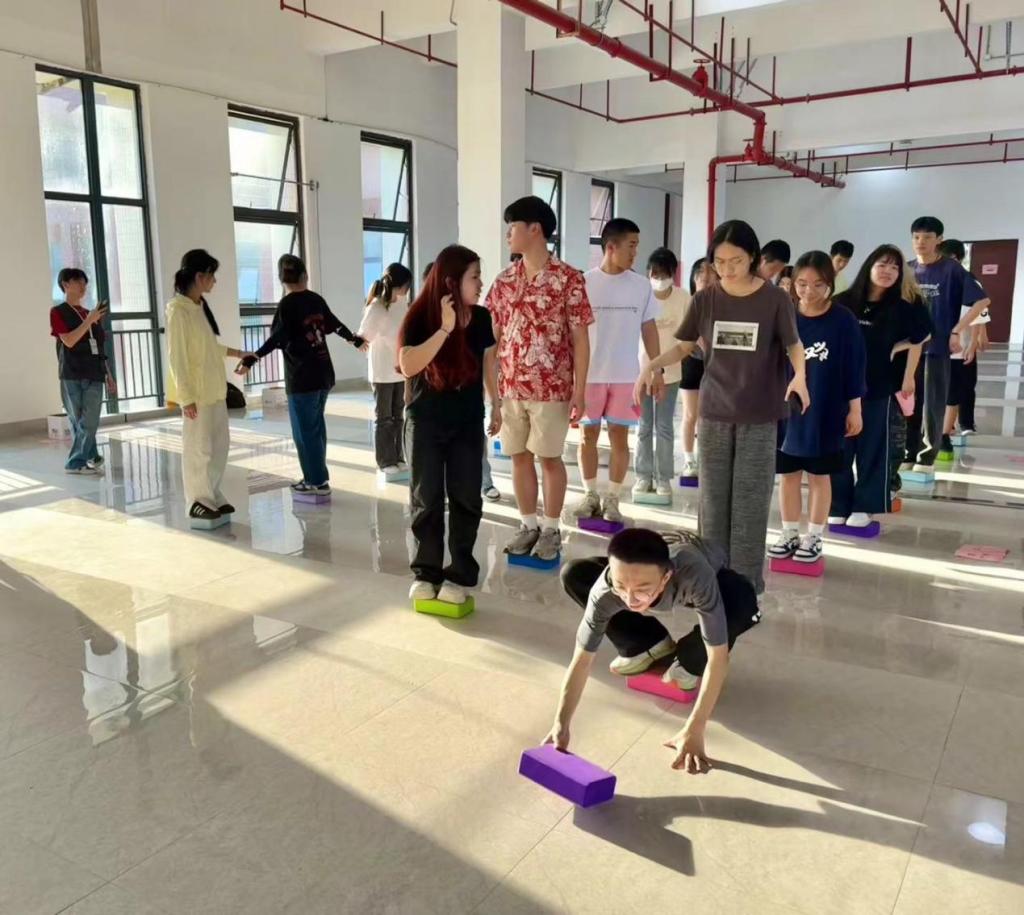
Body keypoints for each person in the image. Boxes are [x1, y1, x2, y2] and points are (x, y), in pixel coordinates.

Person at [636, 220, 807, 594]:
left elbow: (793, 344)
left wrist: (800, 376)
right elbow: (685, 346)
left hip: (759, 414)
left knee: (750, 501)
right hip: (715, 412)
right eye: (720, 261)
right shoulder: (706, 299)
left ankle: (744, 585)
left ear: (753, 258)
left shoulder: (775, 299)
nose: (727, 269)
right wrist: (653, 364)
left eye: (736, 261)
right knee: (712, 503)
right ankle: (710, 579)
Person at [548, 528, 761, 773]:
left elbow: (718, 658)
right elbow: (582, 660)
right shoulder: (606, 589)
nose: (630, 600)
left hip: (709, 570)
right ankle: (646, 644)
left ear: (665, 577)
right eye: (621, 586)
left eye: (642, 588)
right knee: (574, 572)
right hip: (651, 563)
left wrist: (695, 728)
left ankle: (688, 660)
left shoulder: (695, 575)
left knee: (743, 603)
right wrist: (560, 723)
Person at [487, 196, 593, 561]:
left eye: (513, 227)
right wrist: (491, 391)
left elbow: (580, 338)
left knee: (549, 458)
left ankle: (550, 529)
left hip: (552, 387)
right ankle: (527, 524)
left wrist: (580, 389)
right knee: (518, 456)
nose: (508, 235)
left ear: (535, 229)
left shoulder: (569, 279)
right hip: (511, 387)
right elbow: (493, 338)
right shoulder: (504, 281)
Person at [398, 244, 499, 605]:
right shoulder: (419, 316)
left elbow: (488, 364)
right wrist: (444, 328)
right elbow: (408, 365)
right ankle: (426, 571)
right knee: (426, 498)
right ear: (452, 280)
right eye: (475, 277)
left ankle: (460, 572)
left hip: (467, 420)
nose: (481, 283)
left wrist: (496, 403)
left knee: (466, 498)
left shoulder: (482, 318)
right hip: (426, 420)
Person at [241, 254, 365, 495]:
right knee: (316, 427)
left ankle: (316, 481)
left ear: (281, 279)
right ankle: (317, 476)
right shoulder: (315, 299)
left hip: (302, 378)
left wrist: (253, 358)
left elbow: (277, 339)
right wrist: (354, 339)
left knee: (305, 432)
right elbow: (335, 324)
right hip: (324, 374)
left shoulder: (286, 306)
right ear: (304, 276)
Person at [769, 252, 865, 560]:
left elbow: (854, 367)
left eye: (818, 284)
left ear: (830, 284)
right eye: (801, 284)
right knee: (788, 475)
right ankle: (789, 532)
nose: (808, 291)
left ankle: (814, 536)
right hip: (787, 411)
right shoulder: (784, 314)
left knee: (819, 476)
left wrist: (855, 409)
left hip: (826, 409)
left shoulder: (843, 320)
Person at [832, 245, 932, 523]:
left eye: (894, 267)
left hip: (878, 387)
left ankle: (865, 505)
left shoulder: (902, 307)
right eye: (882, 265)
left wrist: (897, 348)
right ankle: (837, 505)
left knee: (873, 449)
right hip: (839, 388)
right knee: (839, 448)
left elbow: (925, 333)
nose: (888, 271)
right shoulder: (842, 302)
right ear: (869, 267)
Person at [573, 218, 662, 524]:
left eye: (637, 246)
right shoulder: (584, 283)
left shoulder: (641, 286)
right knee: (587, 436)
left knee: (619, 438)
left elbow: (649, 328)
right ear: (611, 247)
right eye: (631, 246)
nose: (635, 253)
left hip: (626, 375)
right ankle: (590, 494)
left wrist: (656, 369)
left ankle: (612, 497)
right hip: (589, 375)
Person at [165, 249, 254, 522]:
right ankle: (197, 499)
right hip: (197, 395)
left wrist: (237, 353)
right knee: (199, 449)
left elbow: (207, 347)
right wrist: (186, 397)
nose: (214, 281)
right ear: (199, 276)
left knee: (218, 446)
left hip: (214, 391)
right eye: (211, 275)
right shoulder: (178, 311)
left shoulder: (198, 307)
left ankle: (212, 494)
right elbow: (177, 357)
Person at [907, 217, 990, 472]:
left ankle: (926, 456)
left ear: (939, 240)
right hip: (908, 348)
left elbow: (981, 301)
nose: (921, 242)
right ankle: (908, 452)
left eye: (927, 237)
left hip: (937, 348)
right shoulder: (907, 269)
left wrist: (957, 330)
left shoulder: (951, 269)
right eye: (916, 237)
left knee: (933, 403)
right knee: (908, 402)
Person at [633, 247, 689, 499]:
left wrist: (662, 369)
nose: (658, 278)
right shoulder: (641, 295)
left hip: (671, 373)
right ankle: (643, 476)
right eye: (654, 273)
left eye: (664, 274)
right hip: (641, 372)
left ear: (673, 275)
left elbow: (686, 340)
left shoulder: (683, 298)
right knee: (643, 426)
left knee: (664, 426)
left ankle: (663, 477)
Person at [49, 268, 117, 474]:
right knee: (78, 420)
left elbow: (99, 346)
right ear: (65, 285)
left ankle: (77, 461)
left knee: (89, 420)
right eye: (78, 282)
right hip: (71, 373)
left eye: (84, 282)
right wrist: (89, 321)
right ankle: (90, 457)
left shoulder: (91, 314)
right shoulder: (58, 312)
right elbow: (69, 341)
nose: (83, 286)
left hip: (95, 372)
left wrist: (109, 374)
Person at [358, 262, 413, 474]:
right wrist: (356, 340)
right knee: (384, 418)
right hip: (382, 372)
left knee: (399, 416)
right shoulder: (377, 307)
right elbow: (364, 336)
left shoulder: (401, 303)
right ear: (400, 284)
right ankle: (385, 461)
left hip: (399, 369)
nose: (408, 289)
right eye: (406, 285)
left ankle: (398, 456)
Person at [938, 239, 989, 440]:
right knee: (946, 387)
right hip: (942, 344)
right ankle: (945, 427)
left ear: (958, 258)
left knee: (964, 385)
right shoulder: (938, 279)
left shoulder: (968, 279)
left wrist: (977, 338)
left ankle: (964, 423)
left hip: (963, 342)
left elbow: (979, 310)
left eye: (949, 258)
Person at [678, 258, 716, 477]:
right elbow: (688, 336)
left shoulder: (722, 303)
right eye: (701, 275)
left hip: (715, 365)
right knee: (691, 414)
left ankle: (704, 458)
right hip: (692, 361)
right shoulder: (689, 302)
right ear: (694, 279)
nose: (706, 279)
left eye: (711, 275)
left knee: (707, 416)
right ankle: (689, 460)